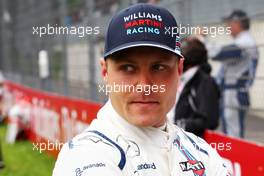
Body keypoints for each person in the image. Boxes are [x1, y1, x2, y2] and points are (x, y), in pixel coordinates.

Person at [53, 3, 230, 176]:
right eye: (128, 68)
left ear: (179, 70)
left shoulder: (202, 152)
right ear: (105, 72)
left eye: (158, 67)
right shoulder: (85, 157)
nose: (144, 86)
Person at [201, 10, 259, 138]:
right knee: (231, 130)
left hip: (235, 92)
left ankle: (239, 157)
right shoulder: (244, 41)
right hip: (233, 92)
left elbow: (218, 54)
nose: (228, 26)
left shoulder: (245, 42)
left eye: (230, 23)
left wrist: (203, 39)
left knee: (234, 133)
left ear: (238, 23)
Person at [167, 37, 220, 138]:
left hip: (187, 141)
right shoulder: (183, 78)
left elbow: (209, 120)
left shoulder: (205, 82)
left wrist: (175, 124)